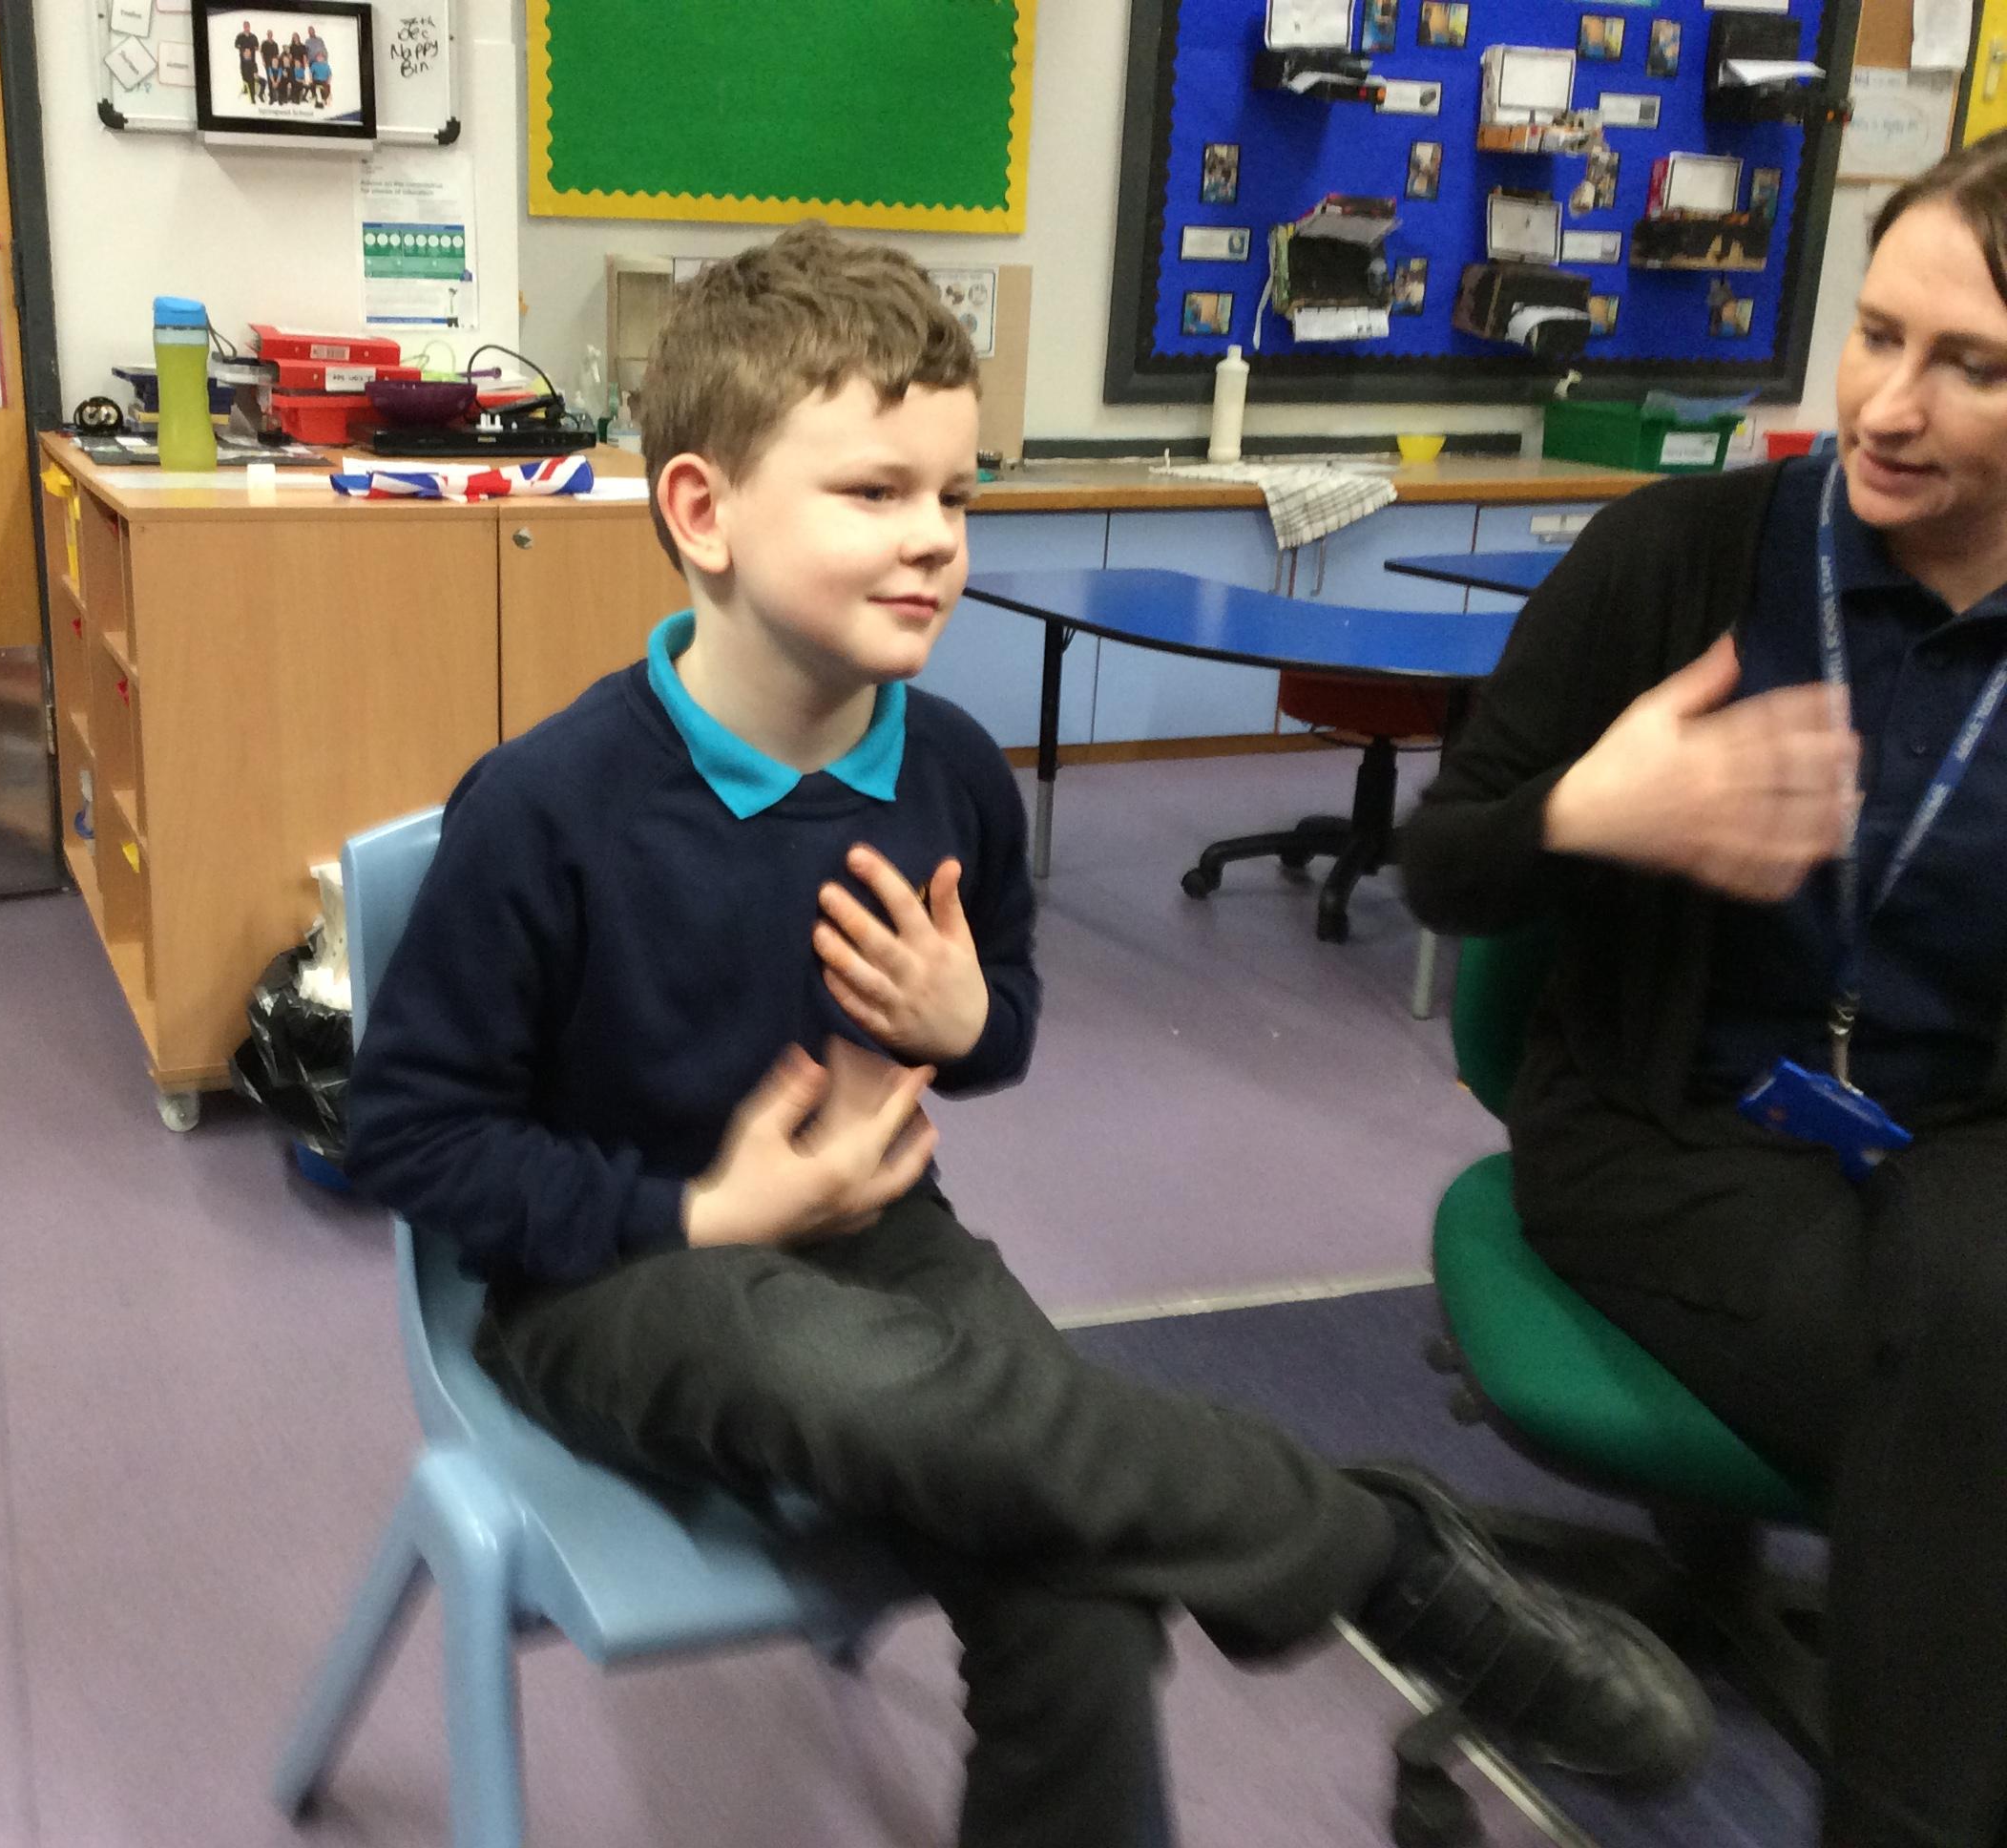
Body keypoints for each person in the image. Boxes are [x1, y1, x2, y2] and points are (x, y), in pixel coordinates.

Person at [344, 222, 1709, 1848]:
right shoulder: (547, 808)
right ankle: (1378, 1555)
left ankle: (1354, 1560)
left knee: (1077, 1589)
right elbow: (409, 1139)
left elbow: (998, 1040)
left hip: (883, 1239)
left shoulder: (954, 776)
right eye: (875, 492)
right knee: (834, 1366)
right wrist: (703, 1212)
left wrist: (967, 1017)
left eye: (956, 492)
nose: (934, 538)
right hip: (615, 1272)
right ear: (702, 512)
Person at [1404, 133, 2007, 1848]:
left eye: (1971, 367)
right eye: (1876, 335)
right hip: (1669, 1127)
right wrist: (1592, 814)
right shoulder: (1678, 557)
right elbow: (1446, 870)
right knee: (1966, 1413)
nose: (1889, 405)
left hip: (1963, 1132)